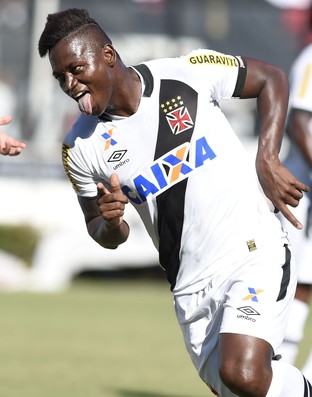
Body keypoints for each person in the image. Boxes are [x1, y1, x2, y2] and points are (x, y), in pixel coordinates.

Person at [38, 8, 312, 397]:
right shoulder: (79, 148)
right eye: (60, 76)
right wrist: (113, 222)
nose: (70, 83)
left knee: (244, 373)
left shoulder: (187, 71)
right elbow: (98, 228)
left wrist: (266, 157)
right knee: (246, 388)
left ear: (108, 56)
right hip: (190, 286)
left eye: (76, 69)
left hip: (253, 251)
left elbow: (272, 78)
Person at [277, 7, 312, 382]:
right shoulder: (310, 59)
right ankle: (280, 375)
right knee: (297, 282)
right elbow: (300, 123)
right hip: (304, 193)